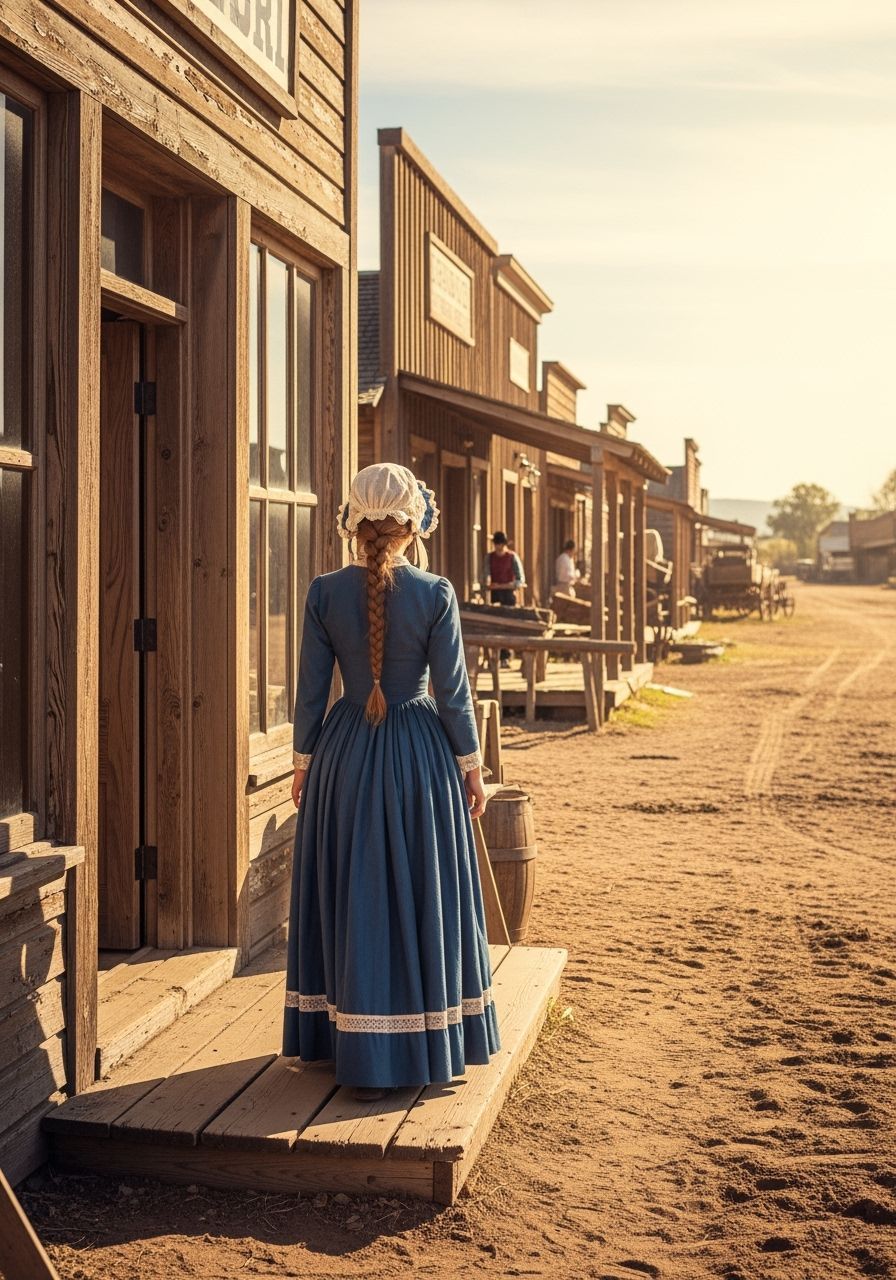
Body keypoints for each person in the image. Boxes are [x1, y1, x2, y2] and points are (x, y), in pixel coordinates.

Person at [283, 463, 500, 1102]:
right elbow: (454, 696)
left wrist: (303, 764)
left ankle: (351, 1047)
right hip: (420, 758)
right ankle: (418, 1047)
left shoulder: (324, 593)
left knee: (355, 892)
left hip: (345, 757)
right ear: (412, 524)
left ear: (354, 521)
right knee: (419, 893)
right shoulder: (436, 594)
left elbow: (311, 693)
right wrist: (472, 768)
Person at [481, 531, 526, 667]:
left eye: (501, 545)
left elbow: (520, 579)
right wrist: (488, 583)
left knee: (507, 625)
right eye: (496, 545)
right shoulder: (489, 558)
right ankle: (494, 657)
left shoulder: (512, 557)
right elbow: (485, 575)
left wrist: (510, 585)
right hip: (494, 594)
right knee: (493, 624)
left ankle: (506, 655)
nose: (499, 548)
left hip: (508, 594)